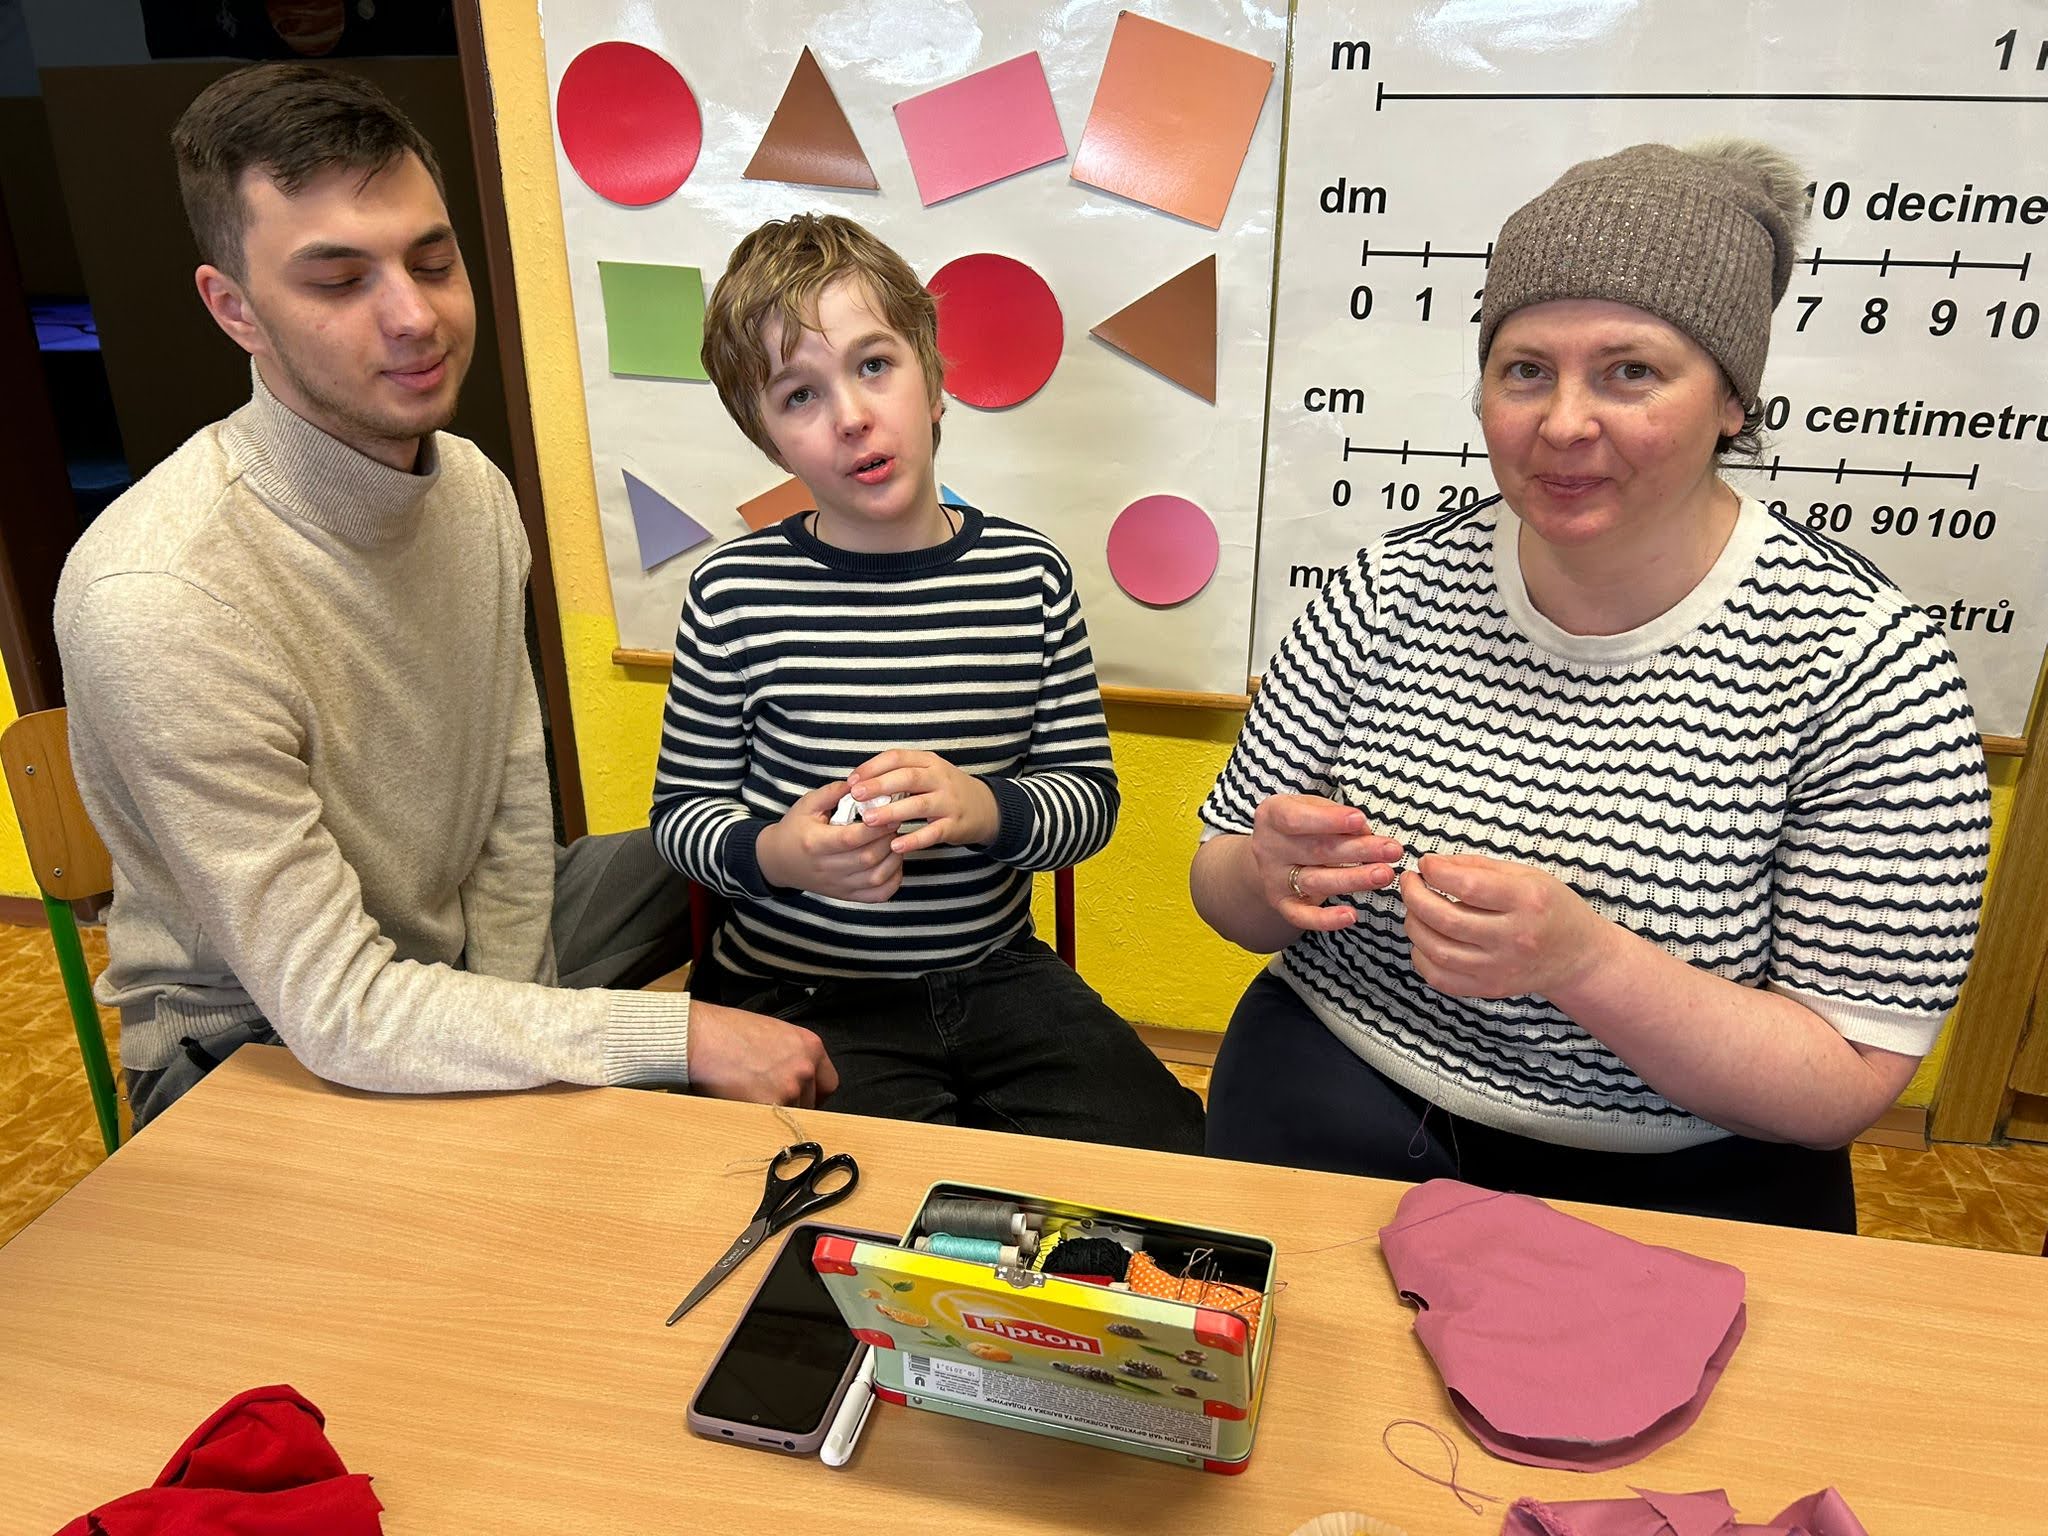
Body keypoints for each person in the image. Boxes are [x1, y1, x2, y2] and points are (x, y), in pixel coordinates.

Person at [1189, 141, 1991, 1230]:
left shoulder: (1864, 665)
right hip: (1333, 1088)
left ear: (1732, 401)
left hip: (1677, 1173)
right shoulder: (1384, 590)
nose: (1563, 423)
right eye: (1526, 369)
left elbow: (1844, 1080)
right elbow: (1223, 887)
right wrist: (1263, 872)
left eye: (1630, 372)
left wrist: (1583, 962)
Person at [53, 63, 834, 1132]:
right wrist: (673, 1039)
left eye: (433, 261)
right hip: (258, 1035)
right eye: (339, 282)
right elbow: (336, 1010)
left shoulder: (471, 488)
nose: (415, 316)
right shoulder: (159, 594)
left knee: (758, 836)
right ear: (234, 309)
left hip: (452, 938)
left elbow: (511, 801)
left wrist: (520, 1014)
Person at [658, 212, 1205, 1152]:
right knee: (881, 1195)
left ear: (937, 380)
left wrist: (984, 806)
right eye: (799, 395)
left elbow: (1089, 805)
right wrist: (780, 853)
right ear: (769, 440)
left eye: (875, 365)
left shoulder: (1029, 577)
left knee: (1174, 1156)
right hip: (800, 991)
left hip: (995, 974)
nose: (851, 416)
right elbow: (681, 821)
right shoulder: (732, 592)